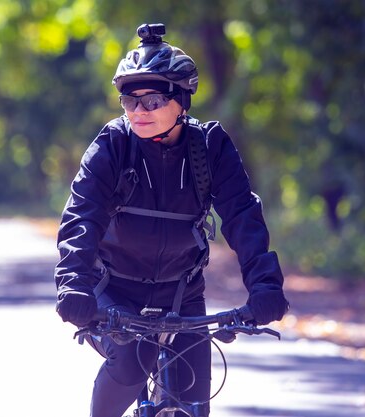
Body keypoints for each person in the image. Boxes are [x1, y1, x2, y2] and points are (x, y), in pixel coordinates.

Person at [54, 23, 288, 417]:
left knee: (193, 403)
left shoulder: (210, 147)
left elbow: (242, 214)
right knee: (129, 366)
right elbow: (82, 216)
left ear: (182, 101)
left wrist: (264, 285)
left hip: (182, 294)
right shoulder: (114, 145)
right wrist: (73, 285)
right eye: (130, 100)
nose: (138, 112)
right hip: (112, 291)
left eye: (152, 101)